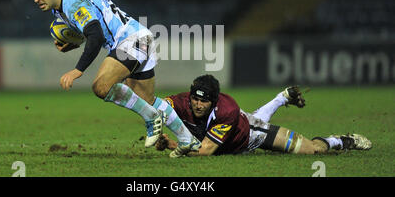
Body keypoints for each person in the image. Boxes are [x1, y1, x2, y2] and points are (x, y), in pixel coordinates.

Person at [27, 0, 201, 156]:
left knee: (101, 86)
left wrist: (78, 70)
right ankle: (187, 139)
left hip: (132, 40)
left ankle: (151, 118)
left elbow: (96, 36)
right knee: (146, 99)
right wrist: (73, 44)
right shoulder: (60, 8)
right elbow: (91, 30)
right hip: (141, 38)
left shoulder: (73, 2)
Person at [155, 74, 372, 157]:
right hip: (241, 124)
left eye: (204, 101)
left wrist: (171, 145)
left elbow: (205, 151)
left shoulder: (227, 110)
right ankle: (282, 97)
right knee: (251, 117)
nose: (198, 105)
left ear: (214, 101)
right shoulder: (183, 101)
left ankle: (343, 140)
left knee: (309, 150)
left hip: (250, 136)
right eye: (195, 99)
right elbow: (159, 105)